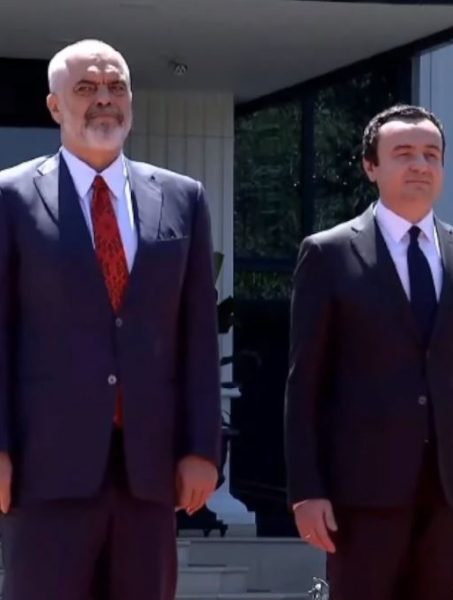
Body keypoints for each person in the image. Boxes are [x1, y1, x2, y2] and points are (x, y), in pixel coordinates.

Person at [0, 39, 222, 600]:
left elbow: (197, 335)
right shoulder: (10, 198)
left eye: (116, 87)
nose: (104, 98)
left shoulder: (183, 198)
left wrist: (202, 448)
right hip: (46, 470)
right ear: (55, 106)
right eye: (86, 88)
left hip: (149, 472)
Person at [284, 104, 453, 600]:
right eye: (403, 153)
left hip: (449, 491)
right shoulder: (328, 254)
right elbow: (305, 385)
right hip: (360, 491)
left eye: (431, 154)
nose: (419, 165)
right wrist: (306, 490)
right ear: (371, 166)